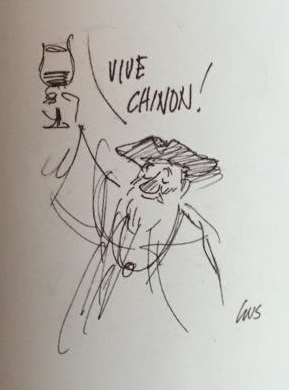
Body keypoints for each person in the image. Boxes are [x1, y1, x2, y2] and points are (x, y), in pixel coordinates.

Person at [52, 131, 223, 353]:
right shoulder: (121, 225)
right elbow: (89, 296)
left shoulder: (191, 237)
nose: (153, 185)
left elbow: (198, 325)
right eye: (149, 170)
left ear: (182, 187)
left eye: (166, 176)